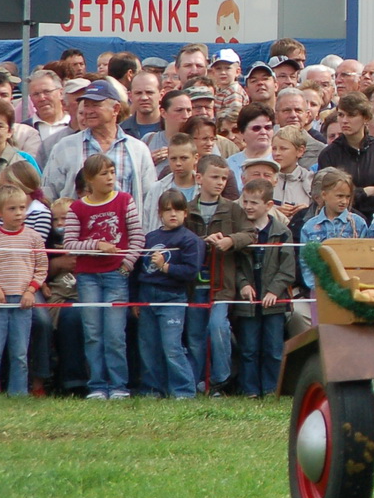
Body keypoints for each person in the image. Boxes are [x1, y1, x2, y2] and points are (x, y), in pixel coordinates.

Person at [63, 153, 142, 399]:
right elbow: (69, 244)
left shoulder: (125, 200)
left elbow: (138, 238)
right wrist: (97, 245)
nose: (110, 178)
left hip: (116, 275)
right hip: (88, 278)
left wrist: (126, 265)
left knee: (115, 334)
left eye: (112, 172)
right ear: (89, 179)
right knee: (93, 333)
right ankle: (97, 385)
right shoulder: (77, 208)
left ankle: (119, 385)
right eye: (103, 174)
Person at [0, 185, 48, 397]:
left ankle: (18, 393)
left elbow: (42, 268)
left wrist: (31, 291)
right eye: (12, 208)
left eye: (22, 208)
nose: (18, 213)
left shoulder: (34, 238)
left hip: (23, 302)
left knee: (20, 352)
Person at [183, 154, 248, 396]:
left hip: (223, 284)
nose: (220, 182)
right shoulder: (187, 209)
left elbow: (250, 233)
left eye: (224, 178)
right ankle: (198, 382)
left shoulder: (233, 209)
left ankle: (221, 380)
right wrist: (202, 241)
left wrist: (232, 240)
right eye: (215, 177)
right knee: (195, 335)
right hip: (194, 284)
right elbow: (178, 239)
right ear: (199, 178)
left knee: (218, 327)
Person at [229, 176, 297, 396]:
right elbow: (234, 264)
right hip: (248, 302)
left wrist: (274, 291)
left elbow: (287, 269)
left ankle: (271, 389)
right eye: (245, 201)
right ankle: (249, 389)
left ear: (268, 205)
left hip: (274, 303)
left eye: (254, 202)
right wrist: (243, 284)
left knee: (273, 348)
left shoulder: (282, 232)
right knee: (248, 348)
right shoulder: (239, 232)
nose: (248, 206)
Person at [41, 80, 156, 207]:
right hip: (78, 220)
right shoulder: (65, 147)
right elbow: (48, 194)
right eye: (86, 105)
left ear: (116, 109)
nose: (89, 111)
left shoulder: (138, 150)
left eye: (96, 105)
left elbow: (149, 199)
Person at [137, 189, 205, 399]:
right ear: (160, 214)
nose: (173, 214)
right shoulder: (150, 238)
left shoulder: (190, 240)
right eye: (167, 210)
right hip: (147, 296)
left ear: (186, 213)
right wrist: (135, 300)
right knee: (148, 346)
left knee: (172, 346)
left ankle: (183, 390)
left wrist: (166, 267)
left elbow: (191, 271)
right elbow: (138, 271)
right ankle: (152, 389)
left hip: (172, 297)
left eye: (177, 210)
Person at [317, 92, 374, 220]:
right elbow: (329, 196)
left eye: (351, 115)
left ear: (366, 118)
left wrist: (352, 193)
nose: (344, 120)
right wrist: (364, 192)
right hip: (340, 220)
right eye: (341, 115)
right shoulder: (328, 154)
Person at [224, 103, 277, 190]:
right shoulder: (229, 165)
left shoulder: (283, 161)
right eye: (256, 128)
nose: (263, 132)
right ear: (242, 132)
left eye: (268, 128)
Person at [269, 126, 314, 228]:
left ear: (300, 151)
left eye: (283, 149)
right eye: (274, 148)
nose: (277, 153)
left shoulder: (310, 180)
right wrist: (274, 212)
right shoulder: (265, 178)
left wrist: (306, 211)